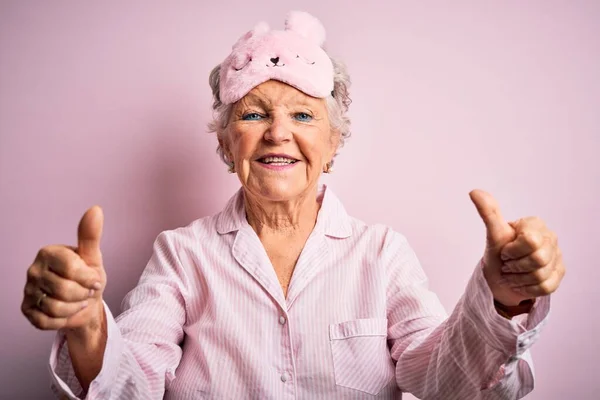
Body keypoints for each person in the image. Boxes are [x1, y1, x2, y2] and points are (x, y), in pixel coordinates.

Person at [21, 11, 565, 400]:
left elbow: (450, 384)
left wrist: (502, 300)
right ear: (226, 142)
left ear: (333, 145)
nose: (278, 133)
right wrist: (89, 325)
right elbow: (130, 386)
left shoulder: (381, 253)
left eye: (303, 116)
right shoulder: (181, 255)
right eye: (254, 114)